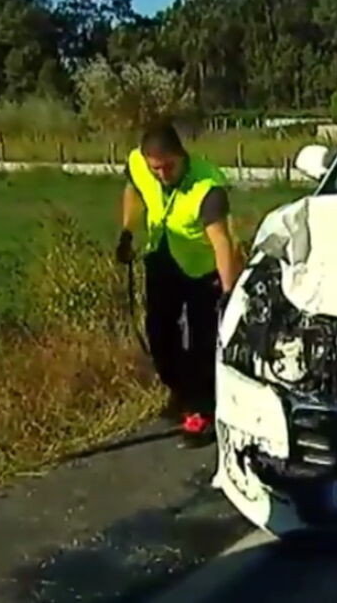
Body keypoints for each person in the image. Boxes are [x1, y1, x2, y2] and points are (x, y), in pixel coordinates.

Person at [115, 121, 244, 448]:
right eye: (155, 168)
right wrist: (128, 231)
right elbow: (133, 189)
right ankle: (182, 391)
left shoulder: (207, 186)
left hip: (203, 271)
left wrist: (229, 294)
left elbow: (222, 244)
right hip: (162, 257)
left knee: (201, 345)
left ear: (180, 155)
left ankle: (201, 412)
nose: (161, 174)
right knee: (159, 335)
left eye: (168, 167)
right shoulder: (139, 164)